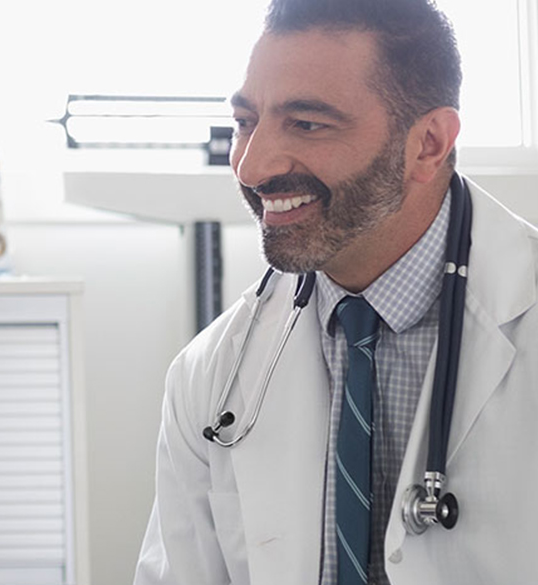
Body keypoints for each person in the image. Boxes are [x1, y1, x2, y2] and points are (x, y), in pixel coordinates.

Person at [136, 0, 538, 583]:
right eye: (246, 121)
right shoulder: (210, 375)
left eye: (307, 124)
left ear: (428, 143)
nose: (252, 167)